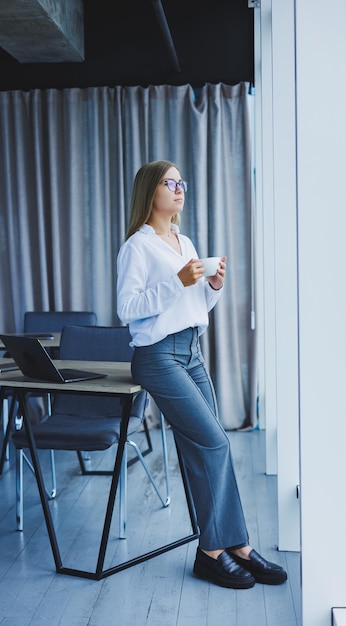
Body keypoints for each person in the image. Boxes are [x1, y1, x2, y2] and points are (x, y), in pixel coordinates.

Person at [116, 160, 287, 589]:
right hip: (156, 356)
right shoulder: (137, 246)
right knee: (215, 443)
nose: (179, 189)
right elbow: (127, 310)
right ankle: (216, 551)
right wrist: (176, 281)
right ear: (149, 192)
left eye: (181, 182)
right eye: (169, 182)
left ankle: (233, 547)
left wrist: (211, 290)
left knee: (203, 449)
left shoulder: (184, 239)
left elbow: (191, 308)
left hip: (190, 350)